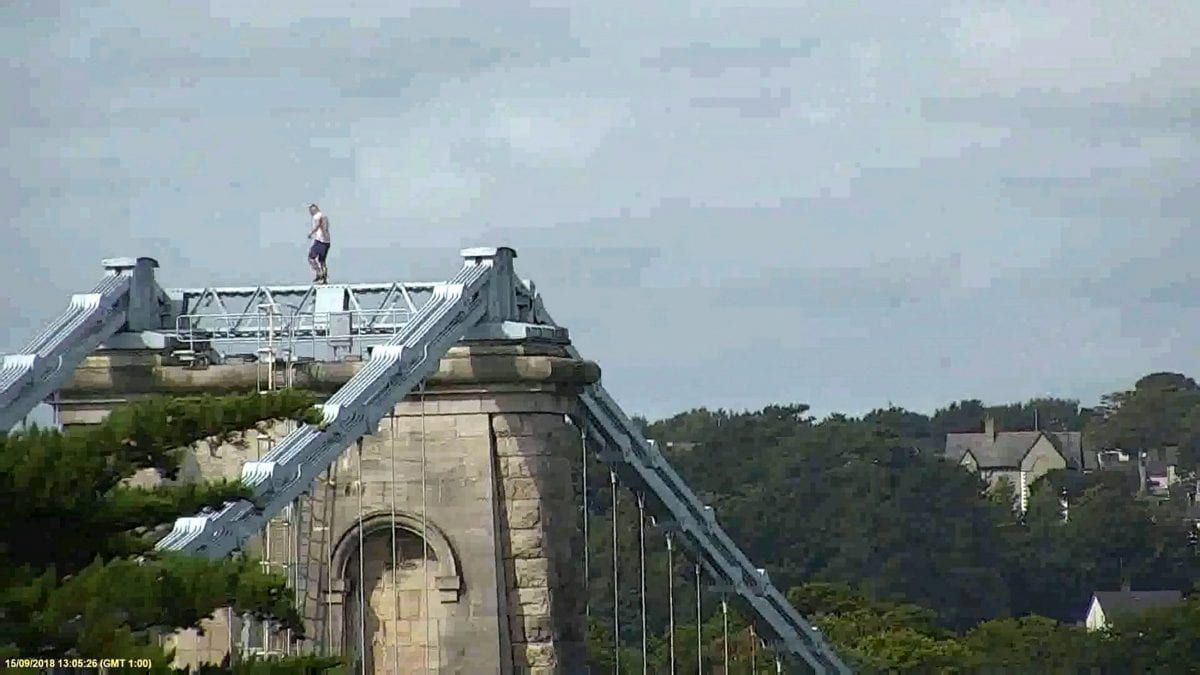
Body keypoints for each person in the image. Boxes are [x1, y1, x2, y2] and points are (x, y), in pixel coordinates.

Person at [306, 203, 331, 283]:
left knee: (311, 258)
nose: (310, 212)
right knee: (322, 261)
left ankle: (319, 274)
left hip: (320, 241)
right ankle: (324, 278)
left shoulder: (317, 216)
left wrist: (311, 233)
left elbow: (319, 224)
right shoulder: (321, 215)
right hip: (326, 242)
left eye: (311, 210)